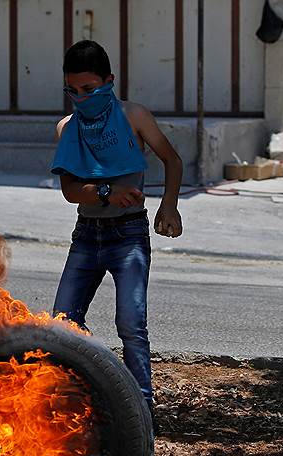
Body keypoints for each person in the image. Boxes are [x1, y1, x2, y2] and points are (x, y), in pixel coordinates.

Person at [50, 40, 184, 433]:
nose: (81, 97)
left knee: (131, 325)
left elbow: (171, 159)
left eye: (89, 89)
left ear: (109, 81)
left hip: (128, 234)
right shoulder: (68, 128)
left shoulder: (133, 116)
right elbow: (71, 191)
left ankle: (141, 416)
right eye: (72, 90)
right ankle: (75, 404)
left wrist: (169, 206)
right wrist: (107, 192)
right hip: (87, 235)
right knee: (63, 323)